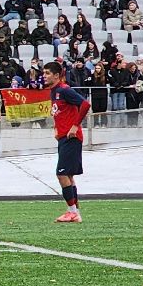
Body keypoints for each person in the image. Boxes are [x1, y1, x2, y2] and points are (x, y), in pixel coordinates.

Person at [45, 60, 89, 223]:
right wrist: (56, 128)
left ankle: (72, 212)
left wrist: (75, 126)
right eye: (44, 73)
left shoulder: (64, 90)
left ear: (57, 75)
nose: (45, 76)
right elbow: (58, 113)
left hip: (71, 137)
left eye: (48, 73)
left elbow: (85, 104)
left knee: (61, 174)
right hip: (63, 137)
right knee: (68, 175)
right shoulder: (53, 91)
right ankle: (74, 212)